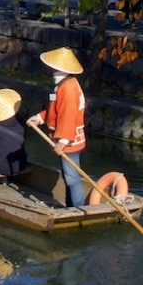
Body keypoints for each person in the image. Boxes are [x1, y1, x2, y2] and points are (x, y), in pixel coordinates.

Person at [26, 47, 87, 208]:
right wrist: (40, 118)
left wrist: (63, 140)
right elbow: (55, 109)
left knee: (72, 178)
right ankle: (70, 206)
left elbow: (68, 116)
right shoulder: (62, 85)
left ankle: (77, 208)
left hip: (70, 141)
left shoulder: (68, 89)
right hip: (67, 139)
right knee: (69, 178)